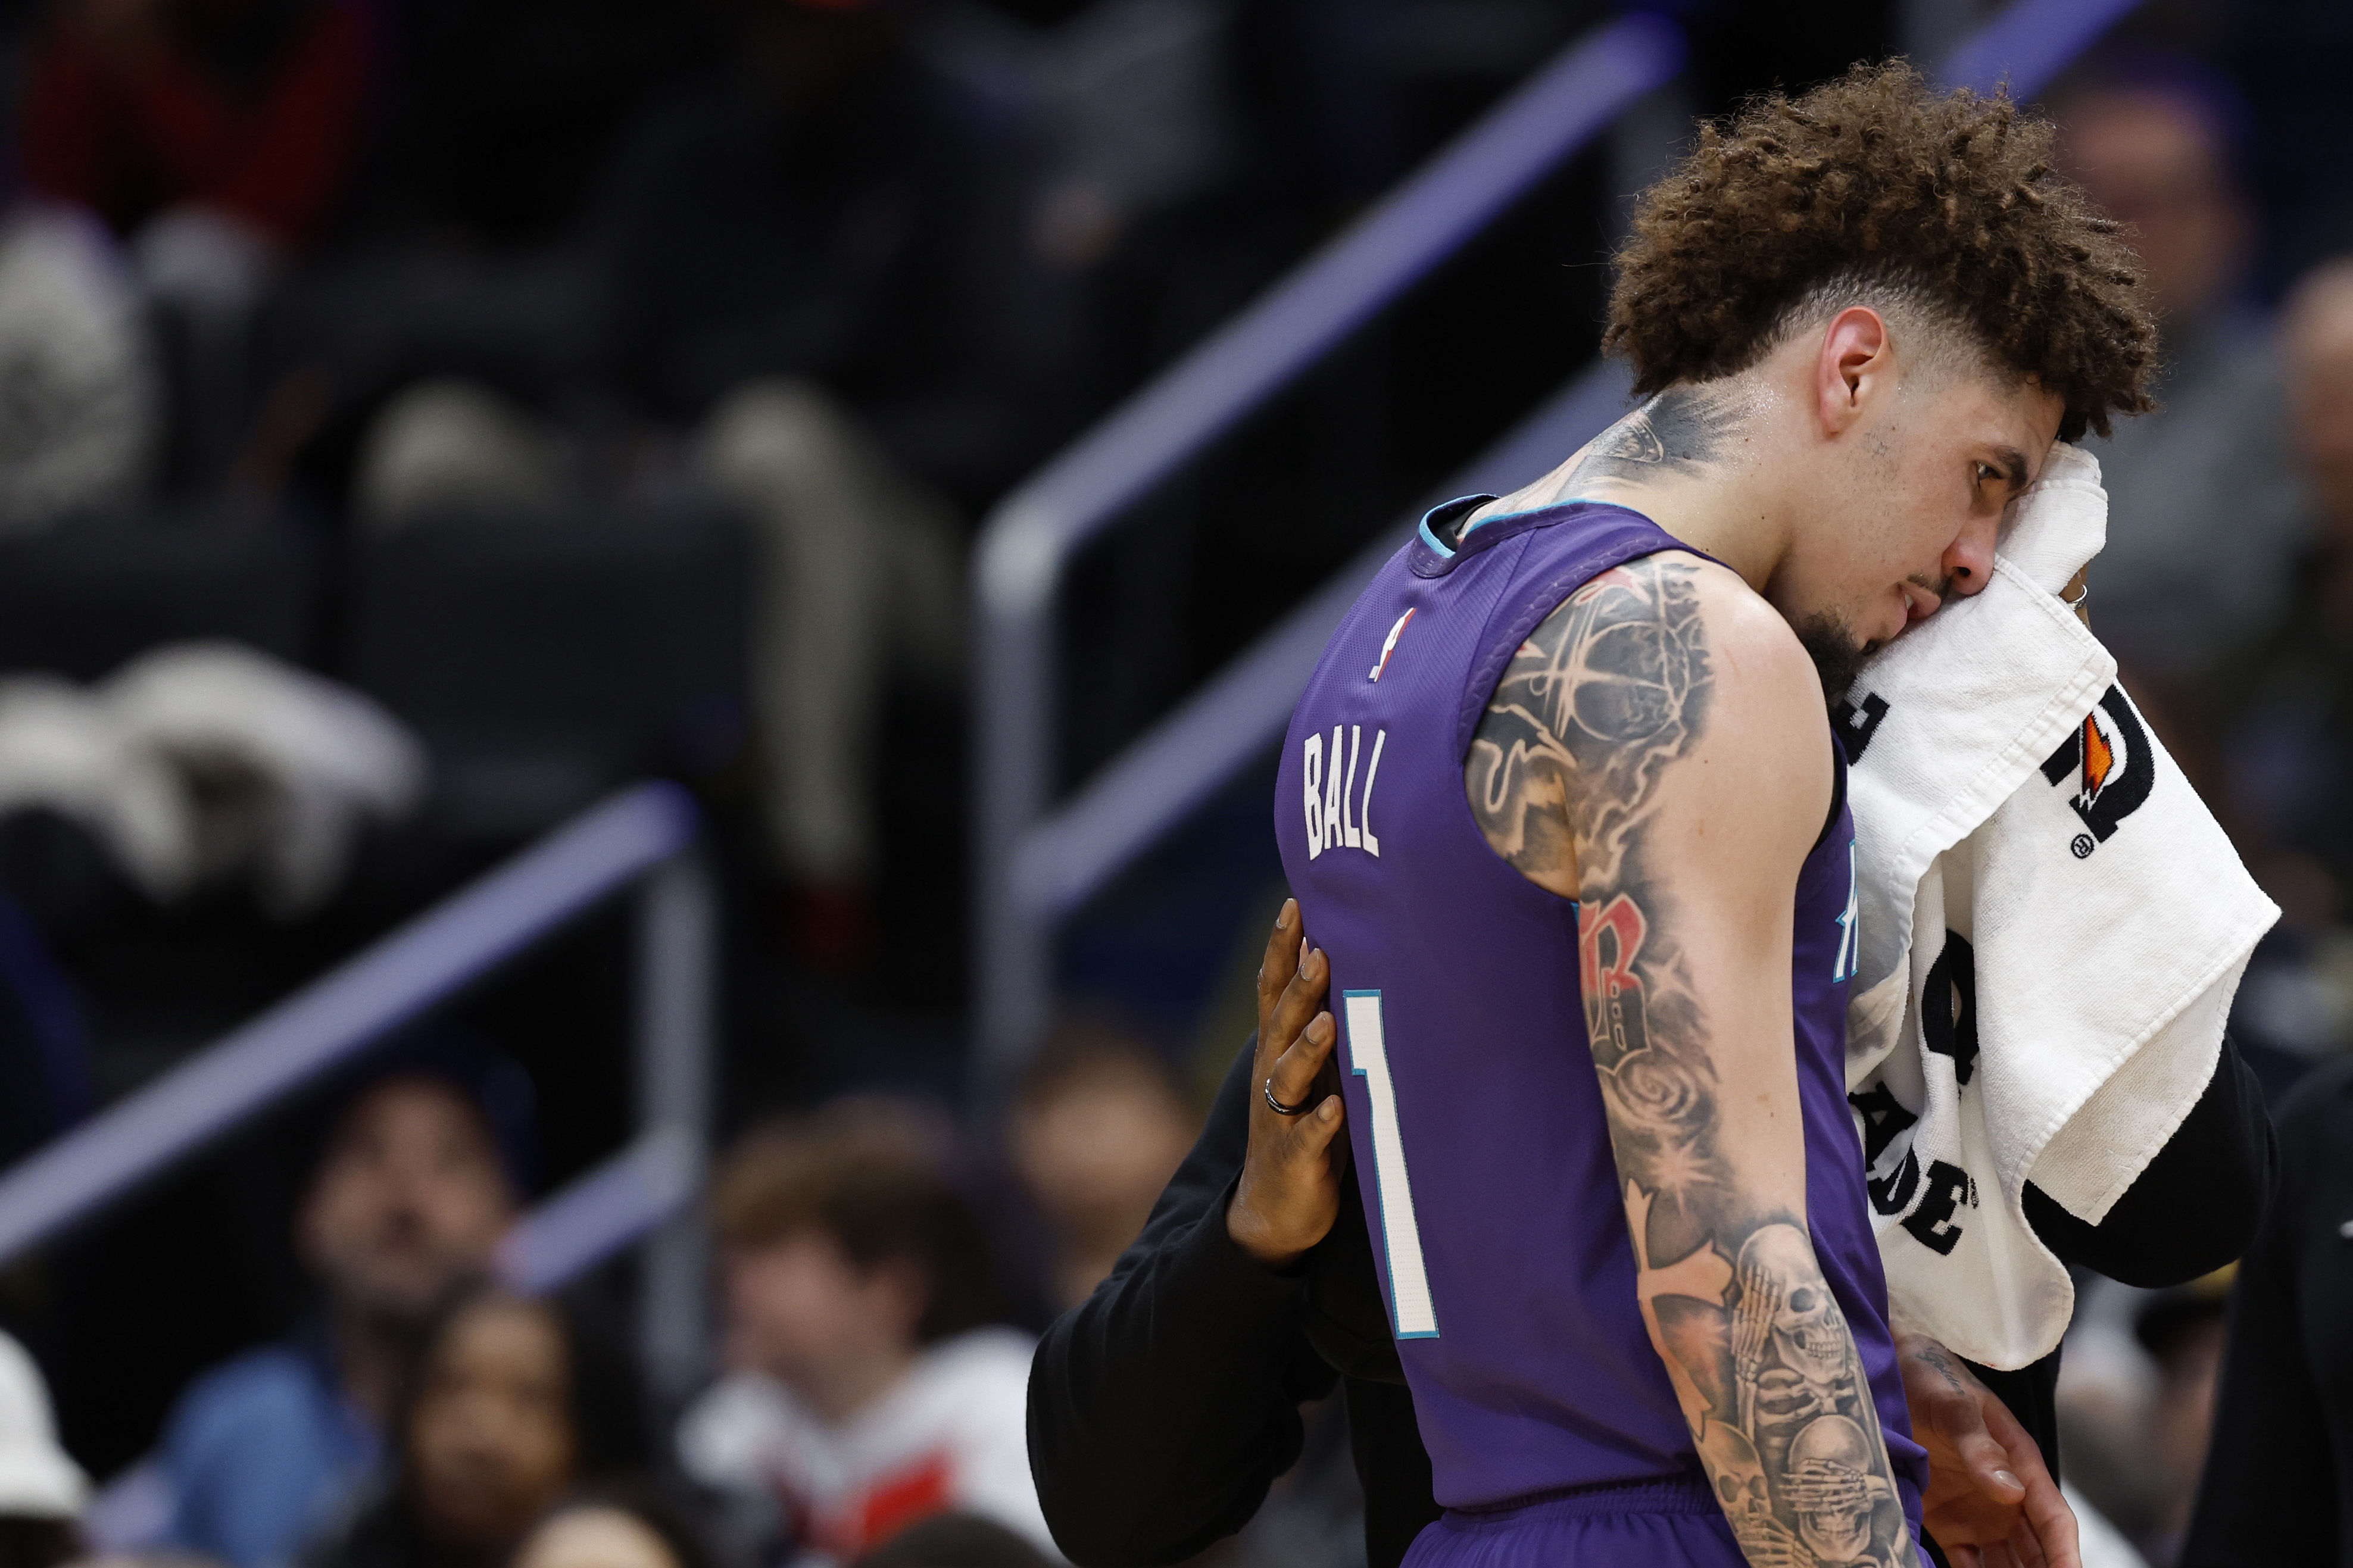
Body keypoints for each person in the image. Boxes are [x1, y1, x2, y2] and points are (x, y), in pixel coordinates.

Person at [1032, 63, 2204, 1568]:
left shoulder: (1395, 623)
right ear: (1849, 368)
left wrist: (1891, 1388)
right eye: (1986, 476)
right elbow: (1724, 1268)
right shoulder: (1691, 647)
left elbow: (1553, 1189)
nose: (1980, 559)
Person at [155, 1070, 520, 1568]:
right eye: (369, 1154)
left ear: (506, 1221)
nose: (406, 1199)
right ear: (311, 1216)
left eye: (449, 1159)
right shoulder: (233, 1423)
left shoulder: (556, 1431)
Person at [675, 1114, 1051, 1566]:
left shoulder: (1002, 1404)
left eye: (776, 1260)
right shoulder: (729, 1433)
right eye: (735, 1262)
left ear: (890, 1289)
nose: (738, 1289)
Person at [2051, 54, 2305, 683]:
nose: (2120, 235)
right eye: (2094, 204)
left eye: (2149, 202)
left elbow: (2244, 611)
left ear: (2229, 218)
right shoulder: (2008, 393)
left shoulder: (2296, 393)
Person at [304, 1286, 650, 1568]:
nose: (479, 1436)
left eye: (530, 1396)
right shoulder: (345, 1545)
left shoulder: (627, 1552)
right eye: (450, 1385)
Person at [1006, 1030, 1199, 1312]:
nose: (1081, 1129)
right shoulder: (989, 1298)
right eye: (1048, 1103)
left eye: (1110, 1095)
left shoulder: (1242, 1279)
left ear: (1186, 1127)